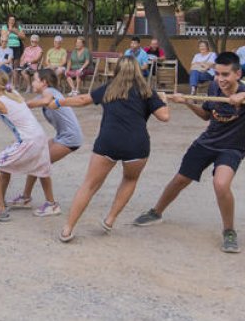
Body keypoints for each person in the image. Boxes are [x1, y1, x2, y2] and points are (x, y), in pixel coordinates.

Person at [133, 52, 245, 254]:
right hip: (206, 143)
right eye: (217, 74)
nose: (221, 79)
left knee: (221, 185)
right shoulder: (214, 87)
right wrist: (186, 102)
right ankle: (156, 212)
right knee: (180, 179)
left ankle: (229, 231)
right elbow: (206, 115)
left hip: (232, 147)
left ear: (237, 74)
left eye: (226, 74)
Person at [54, 56, 170, 242]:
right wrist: (163, 101)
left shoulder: (109, 88)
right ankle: (110, 219)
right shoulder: (147, 92)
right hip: (137, 144)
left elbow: (83, 99)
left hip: (109, 141)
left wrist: (60, 102)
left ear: (117, 71)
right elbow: (164, 116)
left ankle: (67, 229)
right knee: (130, 179)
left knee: (89, 185)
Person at [0, 71, 51, 222]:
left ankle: (0, 209)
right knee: (4, 168)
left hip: (28, 140)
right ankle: (0, 201)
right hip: (38, 137)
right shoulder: (13, 93)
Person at [8, 69, 83, 218]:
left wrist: (25, 104)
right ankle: (26, 197)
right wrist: (9, 95)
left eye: (35, 80)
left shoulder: (50, 91)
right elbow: (26, 103)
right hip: (62, 136)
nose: (33, 82)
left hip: (70, 138)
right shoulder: (43, 94)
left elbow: (45, 101)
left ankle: (52, 204)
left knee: (41, 162)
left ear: (44, 82)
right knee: (36, 157)